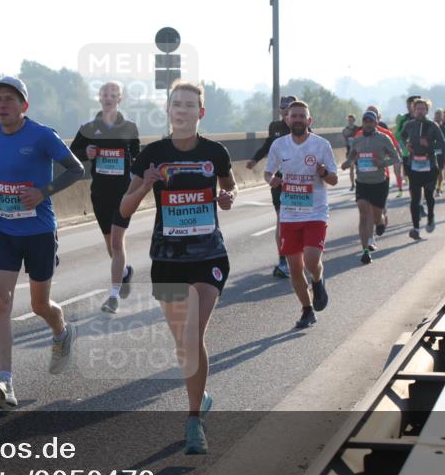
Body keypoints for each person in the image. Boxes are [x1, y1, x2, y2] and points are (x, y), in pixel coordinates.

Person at [120, 81, 236, 455]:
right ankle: (200, 396)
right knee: (183, 345)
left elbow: (229, 189)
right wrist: (145, 186)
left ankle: (192, 421)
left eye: (189, 105)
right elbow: (123, 209)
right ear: (168, 111)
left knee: (190, 335)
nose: (182, 110)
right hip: (167, 260)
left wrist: (226, 197)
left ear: (200, 113)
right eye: (176, 105)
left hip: (208, 257)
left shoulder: (215, 152)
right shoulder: (152, 155)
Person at [0, 76, 85, 409]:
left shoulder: (42, 136)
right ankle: (6, 382)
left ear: (24, 106)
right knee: (0, 300)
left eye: (9, 99)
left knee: (40, 305)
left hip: (38, 232)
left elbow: (76, 169)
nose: (2, 105)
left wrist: (43, 192)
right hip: (3, 231)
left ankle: (61, 331)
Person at [264, 100, 339, 329]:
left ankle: (317, 280)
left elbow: (334, 179)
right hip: (289, 215)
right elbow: (267, 172)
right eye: (293, 116)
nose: (297, 119)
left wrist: (323, 172)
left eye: (301, 116)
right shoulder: (279, 145)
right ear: (287, 119)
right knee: (295, 267)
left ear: (309, 120)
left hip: (315, 212)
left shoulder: (321, 145)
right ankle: (307, 310)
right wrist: (272, 180)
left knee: (311, 260)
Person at [70, 82, 140, 314]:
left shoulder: (130, 128)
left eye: (113, 95)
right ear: (99, 98)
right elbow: (70, 156)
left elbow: (137, 159)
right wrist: (85, 153)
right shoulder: (89, 128)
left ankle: (113, 296)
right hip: (100, 193)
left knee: (118, 243)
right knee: (111, 245)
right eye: (105, 94)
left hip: (123, 194)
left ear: (120, 99)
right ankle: (125, 272)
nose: (108, 98)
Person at [246, 94, 296, 279]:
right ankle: (283, 260)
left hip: (299, 182)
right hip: (279, 180)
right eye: (283, 108)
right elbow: (268, 144)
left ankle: (298, 256)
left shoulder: (302, 127)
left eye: (289, 108)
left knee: (298, 219)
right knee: (282, 218)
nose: (285, 111)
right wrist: (254, 158)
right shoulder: (275, 127)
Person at [342, 110, 401, 264]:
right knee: (363, 212)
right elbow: (352, 156)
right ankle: (365, 250)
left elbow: (396, 158)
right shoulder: (358, 139)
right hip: (362, 182)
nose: (367, 123)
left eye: (370, 121)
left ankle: (380, 222)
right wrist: (347, 163)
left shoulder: (383, 138)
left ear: (375, 123)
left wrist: (382, 163)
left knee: (376, 215)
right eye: (365, 120)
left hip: (379, 182)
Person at [400, 98, 444, 239]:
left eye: (423, 109)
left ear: (427, 110)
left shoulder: (432, 125)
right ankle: (416, 229)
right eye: (417, 108)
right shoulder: (409, 125)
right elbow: (402, 137)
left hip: (430, 166)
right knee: (415, 199)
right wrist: (406, 144)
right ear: (413, 110)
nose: (420, 111)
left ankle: (431, 215)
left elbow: (442, 144)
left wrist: (429, 145)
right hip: (414, 166)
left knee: (429, 195)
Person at [342, 114, 358, 191]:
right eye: (349, 120)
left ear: (354, 120)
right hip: (350, 152)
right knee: (351, 168)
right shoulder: (345, 130)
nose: (350, 121)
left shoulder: (358, 129)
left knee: (359, 168)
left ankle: (359, 182)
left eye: (352, 120)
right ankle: (352, 184)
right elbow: (346, 139)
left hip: (358, 151)